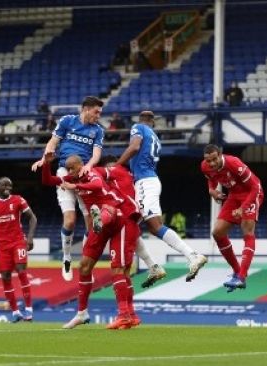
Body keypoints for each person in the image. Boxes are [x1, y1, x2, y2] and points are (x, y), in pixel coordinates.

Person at [42, 153, 140, 330]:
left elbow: (96, 184)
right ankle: (82, 313)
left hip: (118, 217)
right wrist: (46, 164)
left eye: (72, 167)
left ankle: (125, 315)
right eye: (68, 168)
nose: (70, 171)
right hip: (101, 224)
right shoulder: (70, 177)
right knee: (85, 266)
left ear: (81, 165)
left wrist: (75, 185)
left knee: (118, 268)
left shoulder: (91, 173)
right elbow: (48, 180)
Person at [116, 110, 207, 282]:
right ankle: (155, 266)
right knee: (135, 224)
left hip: (145, 182)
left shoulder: (138, 128)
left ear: (140, 120)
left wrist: (117, 165)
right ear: (153, 122)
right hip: (149, 181)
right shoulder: (155, 137)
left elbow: (134, 147)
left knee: (149, 225)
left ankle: (190, 256)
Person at [31, 96, 105, 282]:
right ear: (86, 109)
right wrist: (44, 159)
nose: (98, 116)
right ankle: (66, 259)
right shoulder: (67, 121)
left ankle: (87, 263)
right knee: (70, 221)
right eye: (96, 112)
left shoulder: (97, 131)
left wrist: (89, 166)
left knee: (92, 224)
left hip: (84, 174)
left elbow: (96, 154)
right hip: (64, 171)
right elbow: (52, 143)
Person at [96, 155, 166, 289]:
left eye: (112, 166)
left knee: (121, 269)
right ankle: (153, 266)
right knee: (134, 240)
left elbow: (95, 173)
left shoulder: (116, 174)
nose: (112, 169)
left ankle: (125, 307)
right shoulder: (124, 175)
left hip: (129, 212)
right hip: (135, 210)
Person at [201, 144, 263, 292]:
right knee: (217, 232)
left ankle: (242, 277)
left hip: (251, 193)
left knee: (247, 230)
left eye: (214, 159)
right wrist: (212, 191)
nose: (211, 164)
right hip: (234, 195)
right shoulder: (205, 166)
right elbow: (211, 179)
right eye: (208, 161)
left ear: (220, 155)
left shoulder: (234, 163)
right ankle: (237, 271)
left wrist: (243, 208)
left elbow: (255, 187)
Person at [0, 177, 37, 323]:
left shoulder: (18, 200)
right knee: (5, 277)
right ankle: (15, 312)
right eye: (5, 184)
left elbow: (33, 218)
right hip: (2, 246)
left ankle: (29, 309)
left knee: (21, 271)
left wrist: (29, 238)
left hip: (18, 242)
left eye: (10, 185)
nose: (8, 187)